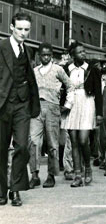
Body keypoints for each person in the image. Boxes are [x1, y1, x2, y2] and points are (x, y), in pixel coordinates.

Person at [0, 12, 40, 206]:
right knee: (0, 149)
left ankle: (15, 190)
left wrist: (33, 104)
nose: (23, 33)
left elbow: (30, 78)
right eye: (20, 29)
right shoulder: (1, 47)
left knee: (22, 147)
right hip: (2, 104)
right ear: (11, 27)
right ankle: (1, 191)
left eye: (27, 30)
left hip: (22, 105)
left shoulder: (29, 51)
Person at [28, 43, 73, 189]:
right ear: (39, 55)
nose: (46, 57)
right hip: (36, 108)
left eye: (48, 55)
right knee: (34, 141)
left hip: (52, 107)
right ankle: (34, 175)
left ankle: (51, 175)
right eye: (43, 55)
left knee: (52, 143)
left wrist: (67, 104)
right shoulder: (34, 71)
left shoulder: (58, 69)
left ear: (52, 55)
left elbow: (70, 85)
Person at [61, 41, 103, 187]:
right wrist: (62, 106)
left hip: (87, 103)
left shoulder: (92, 69)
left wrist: (99, 113)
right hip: (71, 104)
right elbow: (62, 89)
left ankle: (88, 169)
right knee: (73, 141)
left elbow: (98, 92)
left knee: (83, 140)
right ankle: (77, 175)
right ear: (73, 55)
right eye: (80, 52)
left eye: (84, 51)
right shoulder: (67, 69)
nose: (83, 54)